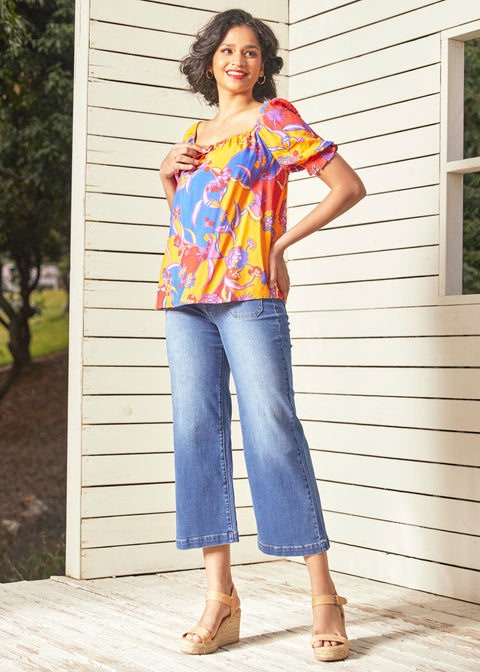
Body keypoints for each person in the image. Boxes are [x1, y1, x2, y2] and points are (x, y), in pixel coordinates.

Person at [155, 8, 366, 663]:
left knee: (273, 429)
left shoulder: (274, 119)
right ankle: (220, 600)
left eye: (250, 51)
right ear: (209, 62)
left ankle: (324, 597)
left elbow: (346, 186)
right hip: (184, 297)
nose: (237, 61)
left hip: (249, 293)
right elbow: (192, 221)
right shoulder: (194, 134)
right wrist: (167, 176)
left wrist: (279, 245)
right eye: (226, 50)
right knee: (196, 434)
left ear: (263, 65)